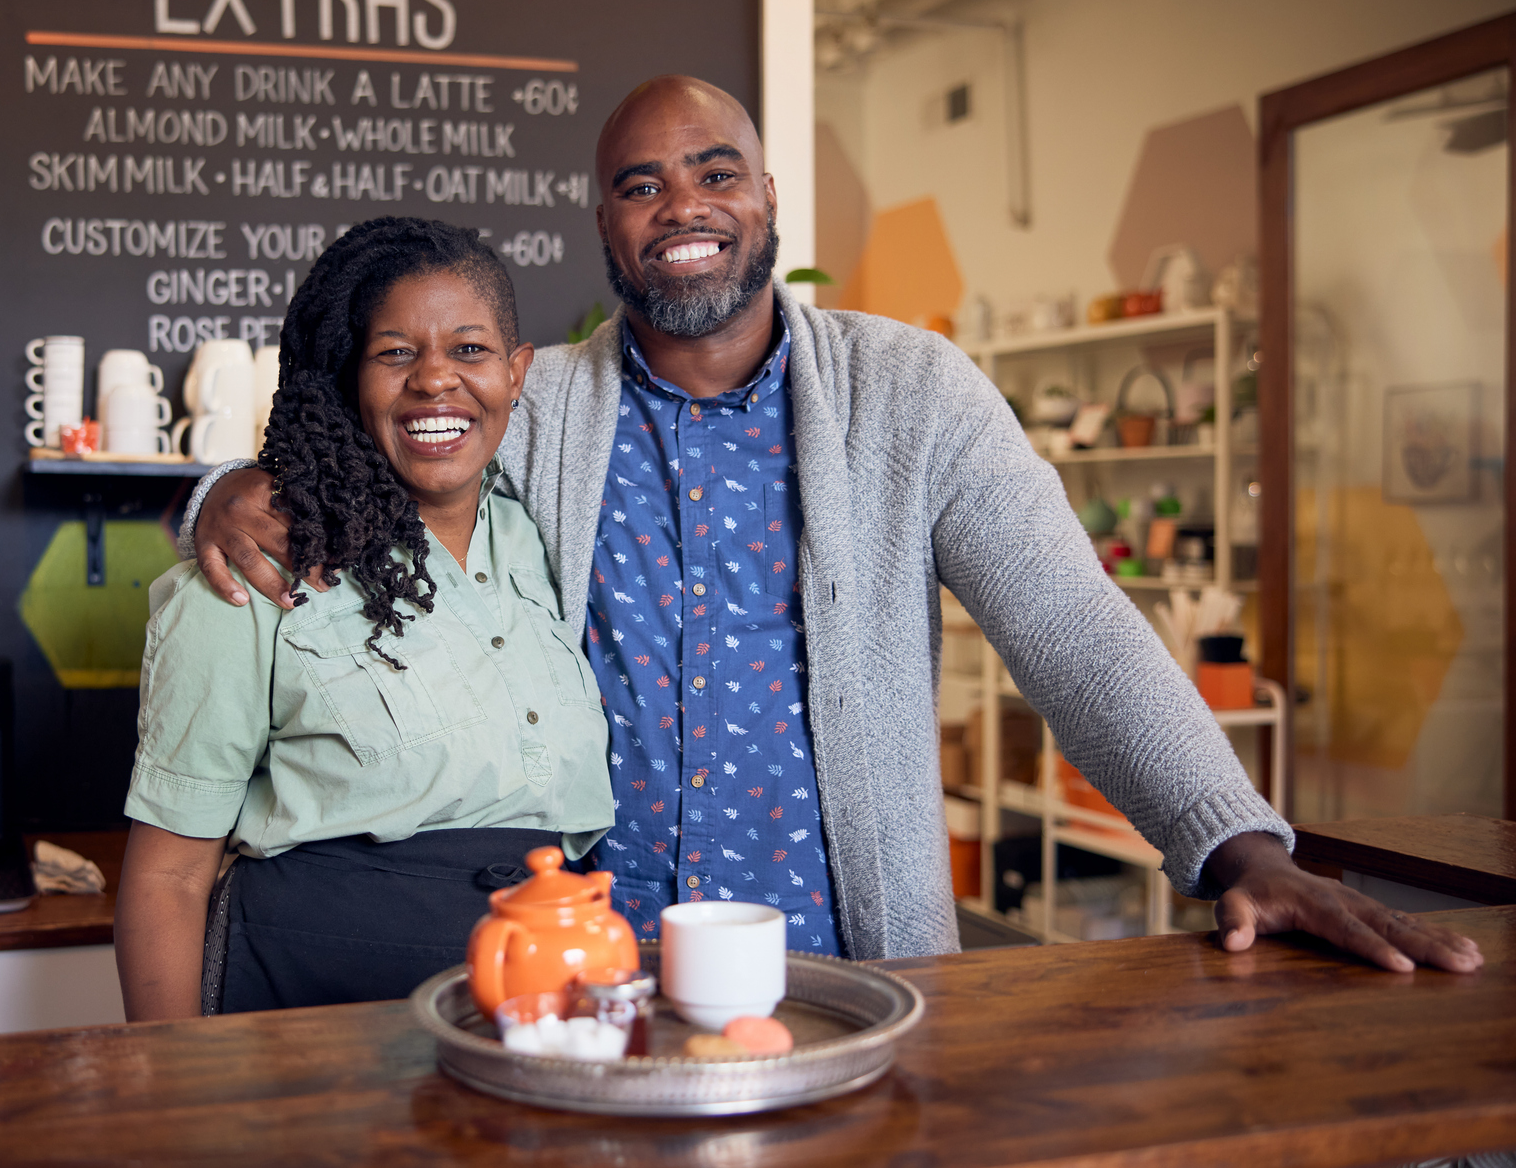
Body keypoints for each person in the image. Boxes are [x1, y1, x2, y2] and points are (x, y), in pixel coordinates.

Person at [185, 75, 1483, 976]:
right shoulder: (535, 404)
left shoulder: (909, 391)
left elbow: (1073, 624)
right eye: (640, 184)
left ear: (767, 198)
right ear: (604, 228)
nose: (681, 204)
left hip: (850, 964)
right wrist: (230, 494)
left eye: (715, 171)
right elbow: (349, 444)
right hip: (577, 964)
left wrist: (1238, 844)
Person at [116, 217, 615, 1020]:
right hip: (314, 1010)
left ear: (518, 372)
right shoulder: (255, 568)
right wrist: (175, 1093)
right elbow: (168, 879)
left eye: (470, 349)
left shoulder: (551, 534)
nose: (434, 381)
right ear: (349, 374)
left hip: (545, 1008)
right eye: (395, 353)